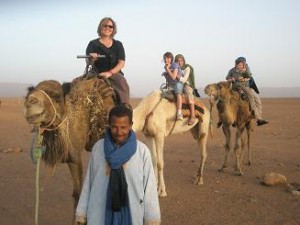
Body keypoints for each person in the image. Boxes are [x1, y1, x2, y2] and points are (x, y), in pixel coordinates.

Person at [75, 105, 161, 225]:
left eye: (123, 127)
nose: (119, 132)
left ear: (131, 125)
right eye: (114, 127)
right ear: (109, 125)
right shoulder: (99, 148)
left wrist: (151, 218)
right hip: (99, 214)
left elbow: (149, 188)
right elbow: (89, 182)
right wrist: (82, 213)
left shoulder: (142, 151)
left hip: (132, 213)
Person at [86, 17, 130, 104]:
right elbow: (88, 62)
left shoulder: (118, 45)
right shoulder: (92, 44)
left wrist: (109, 73)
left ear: (113, 29)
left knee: (122, 84)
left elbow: (121, 63)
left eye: (110, 26)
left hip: (114, 74)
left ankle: (124, 110)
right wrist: (91, 59)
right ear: (100, 27)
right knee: (79, 87)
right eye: (105, 26)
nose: (108, 28)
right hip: (96, 74)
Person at [226, 57, 269, 126]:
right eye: (239, 65)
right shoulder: (232, 71)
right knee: (250, 97)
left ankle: (259, 119)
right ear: (236, 64)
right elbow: (227, 78)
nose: (240, 66)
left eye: (242, 65)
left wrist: (245, 71)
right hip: (238, 87)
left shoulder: (246, 69)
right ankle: (230, 118)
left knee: (257, 100)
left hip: (247, 86)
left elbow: (249, 76)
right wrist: (232, 79)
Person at [175, 54, 197, 125]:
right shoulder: (176, 68)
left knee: (188, 92)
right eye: (177, 61)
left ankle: (193, 115)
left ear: (183, 61)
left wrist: (175, 75)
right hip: (178, 84)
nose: (179, 62)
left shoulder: (187, 68)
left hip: (187, 84)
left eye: (181, 61)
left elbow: (184, 80)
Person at [162, 52, 184, 120]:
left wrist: (167, 69)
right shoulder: (166, 66)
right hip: (171, 85)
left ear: (171, 59)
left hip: (177, 83)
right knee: (162, 92)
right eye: (165, 58)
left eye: (168, 58)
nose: (166, 60)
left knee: (178, 94)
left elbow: (174, 77)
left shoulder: (174, 65)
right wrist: (165, 74)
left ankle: (179, 113)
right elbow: (169, 79)